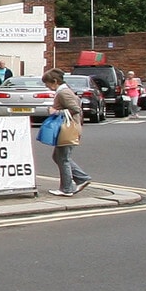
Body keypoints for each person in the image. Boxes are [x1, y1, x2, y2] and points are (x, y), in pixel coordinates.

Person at [43, 68, 92, 196]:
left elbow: (76, 109)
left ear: (54, 81)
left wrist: (56, 112)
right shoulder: (64, 91)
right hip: (69, 128)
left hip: (69, 129)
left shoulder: (63, 92)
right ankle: (80, 179)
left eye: (47, 83)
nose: (47, 86)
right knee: (59, 157)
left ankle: (68, 188)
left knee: (63, 158)